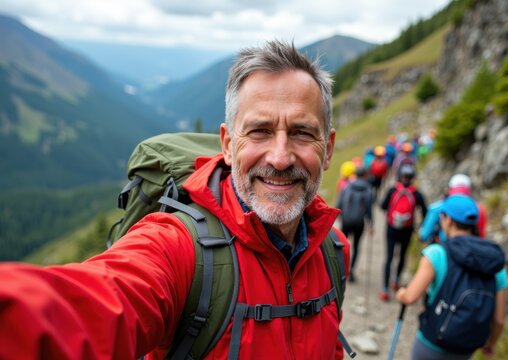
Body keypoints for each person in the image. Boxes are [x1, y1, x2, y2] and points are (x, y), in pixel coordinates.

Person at [0, 40, 352, 359]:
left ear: (328, 149)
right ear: (228, 145)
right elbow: (83, 309)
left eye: (302, 133)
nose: (280, 157)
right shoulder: (177, 249)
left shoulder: (332, 251)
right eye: (259, 131)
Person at [396, 195, 508, 360]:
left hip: (431, 342)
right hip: (466, 348)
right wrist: (491, 343)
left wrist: (401, 294)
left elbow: (411, 297)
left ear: (447, 220)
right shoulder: (494, 263)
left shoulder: (436, 253)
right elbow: (499, 320)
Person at [379, 163, 427, 301]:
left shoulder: (393, 190)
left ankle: (385, 290)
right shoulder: (417, 194)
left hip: (391, 228)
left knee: (389, 257)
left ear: (400, 176)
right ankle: (396, 280)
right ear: (412, 178)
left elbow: (382, 206)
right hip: (407, 229)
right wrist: (420, 227)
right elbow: (425, 212)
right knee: (402, 255)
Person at [419, 173, 488, 243]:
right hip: (472, 249)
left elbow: (424, 235)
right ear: (469, 190)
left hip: (444, 247)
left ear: (450, 189)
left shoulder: (438, 207)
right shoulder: (478, 209)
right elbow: (481, 236)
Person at [336, 166, 373, 282]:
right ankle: (351, 270)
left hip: (346, 221)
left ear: (355, 174)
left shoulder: (347, 186)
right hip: (359, 223)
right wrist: (371, 224)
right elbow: (369, 210)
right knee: (356, 246)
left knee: (342, 245)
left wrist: (339, 216)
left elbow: (339, 203)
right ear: (365, 175)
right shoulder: (368, 189)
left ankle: (340, 269)